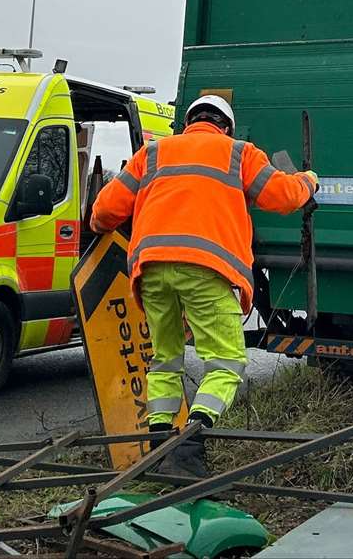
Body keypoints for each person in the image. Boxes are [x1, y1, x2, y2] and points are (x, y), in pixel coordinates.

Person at [89, 94, 317, 477]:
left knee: (165, 360)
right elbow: (282, 197)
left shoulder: (153, 153)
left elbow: (104, 211)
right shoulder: (238, 153)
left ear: (189, 122)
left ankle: (160, 449)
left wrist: (99, 227)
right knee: (226, 362)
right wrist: (308, 182)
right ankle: (190, 447)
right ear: (225, 126)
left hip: (152, 270)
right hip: (207, 270)